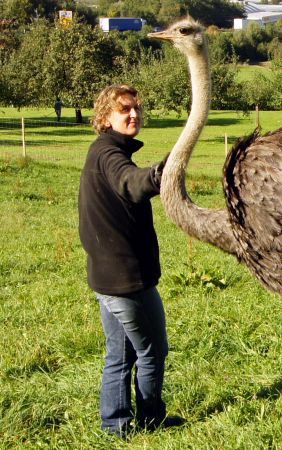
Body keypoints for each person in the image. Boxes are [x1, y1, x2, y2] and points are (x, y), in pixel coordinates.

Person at [78, 84, 181, 438]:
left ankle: (115, 425)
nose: (134, 114)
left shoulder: (101, 151)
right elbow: (129, 183)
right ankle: (151, 419)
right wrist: (161, 173)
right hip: (126, 281)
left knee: (120, 355)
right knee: (153, 350)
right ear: (106, 118)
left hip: (107, 278)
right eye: (125, 109)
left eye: (136, 108)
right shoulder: (109, 155)